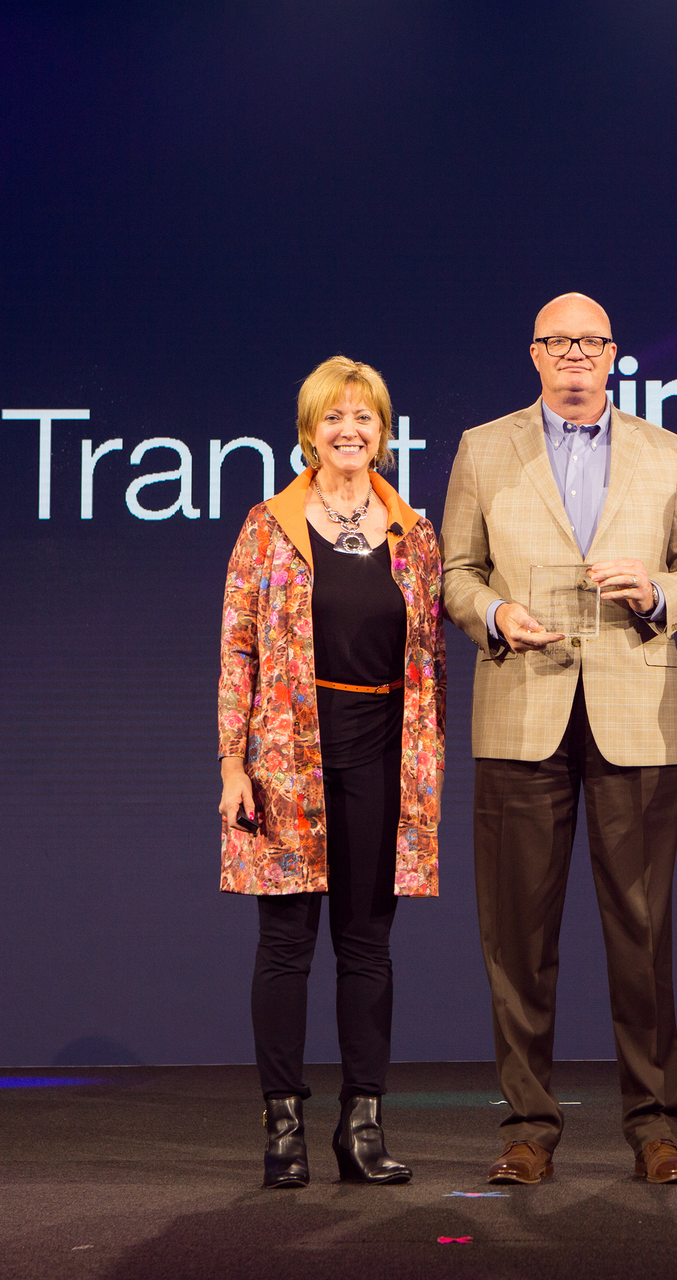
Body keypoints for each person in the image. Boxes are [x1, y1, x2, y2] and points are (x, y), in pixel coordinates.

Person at [441, 292, 677, 1185]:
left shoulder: (665, 451)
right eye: (557, 341)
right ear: (534, 354)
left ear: (612, 354)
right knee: (518, 940)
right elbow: (455, 572)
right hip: (520, 711)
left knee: (641, 933)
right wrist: (495, 614)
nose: (574, 354)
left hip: (633, 715)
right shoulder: (484, 447)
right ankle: (528, 1129)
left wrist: (656, 594)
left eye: (589, 341)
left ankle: (656, 1129)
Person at [216, 355, 446, 1190]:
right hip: (287, 757)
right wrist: (233, 764)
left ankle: (362, 1127)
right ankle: (283, 1129)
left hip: (383, 753)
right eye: (334, 419)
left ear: (384, 434)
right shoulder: (267, 526)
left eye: (365, 418)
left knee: (367, 946)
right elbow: (237, 650)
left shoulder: (414, 534)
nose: (350, 432)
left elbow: (430, 658)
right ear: (309, 434)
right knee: (285, 946)